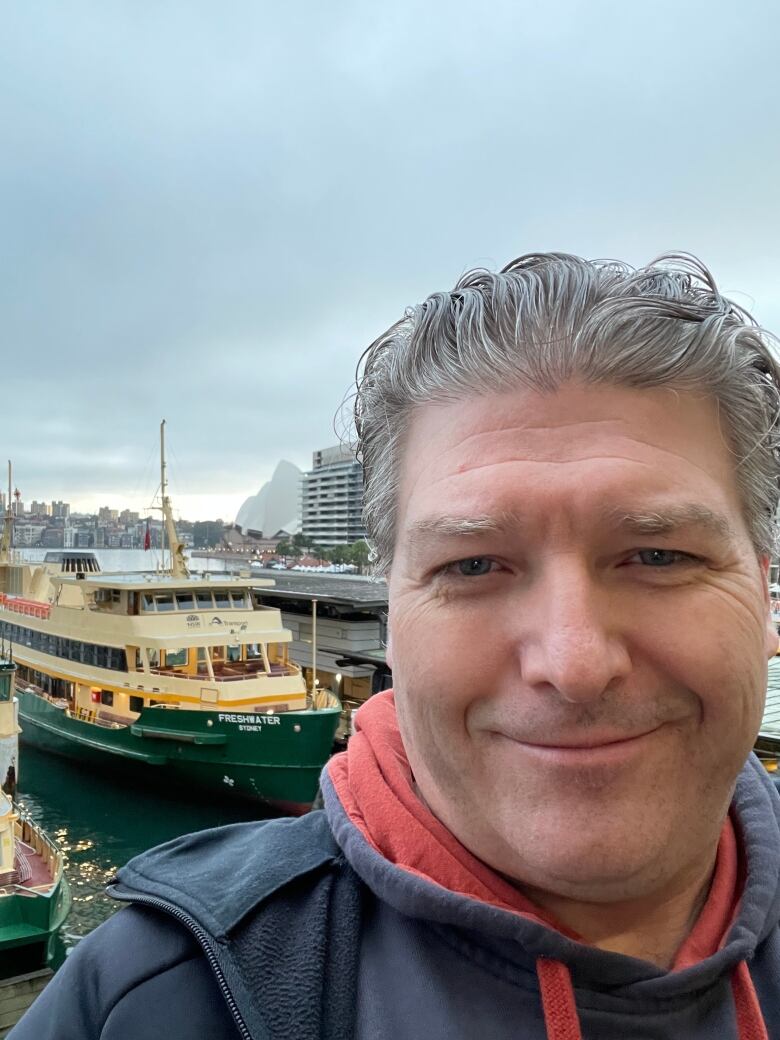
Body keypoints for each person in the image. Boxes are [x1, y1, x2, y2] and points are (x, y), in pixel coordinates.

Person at [11, 252, 780, 1039]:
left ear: (765, 595)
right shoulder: (150, 999)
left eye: (659, 556)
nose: (574, 664)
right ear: (393, 621)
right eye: (473, 565)